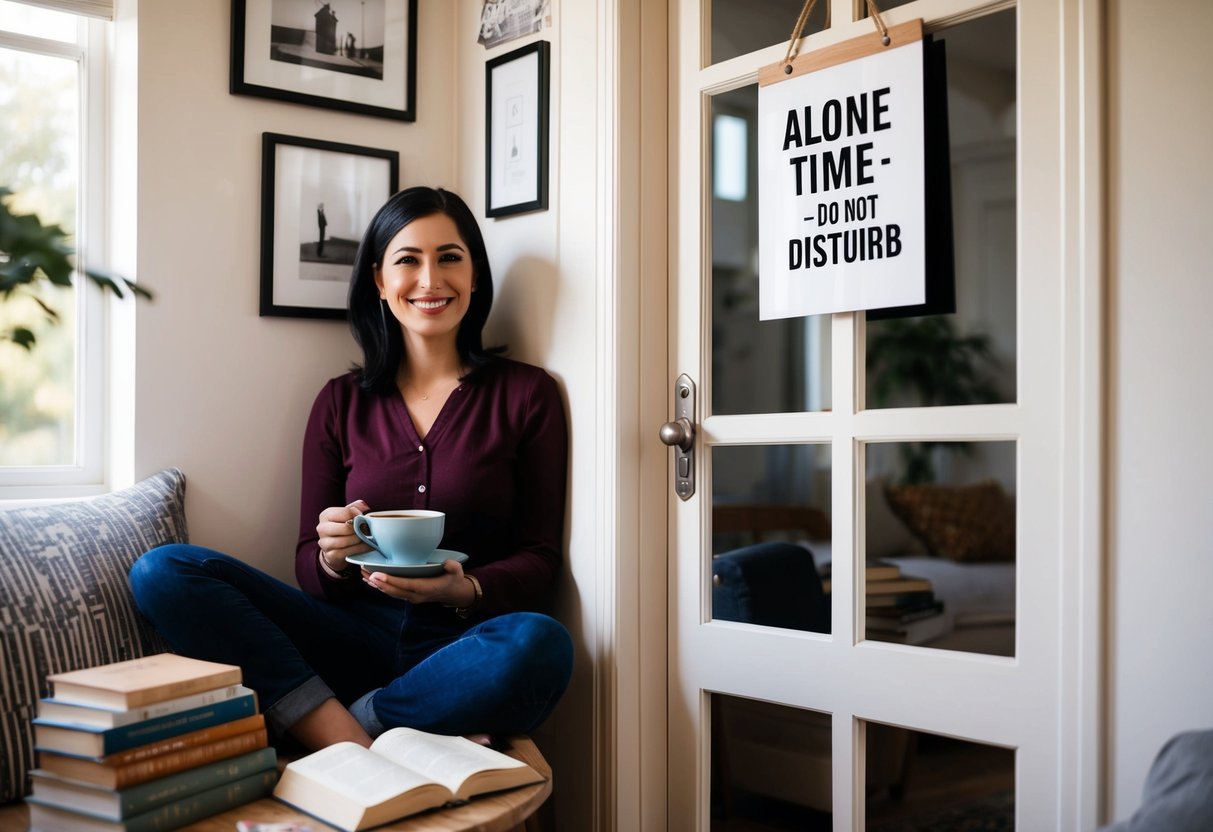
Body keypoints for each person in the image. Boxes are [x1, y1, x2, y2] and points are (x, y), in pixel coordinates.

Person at [130, 187, 573, 751]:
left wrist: (465, 590)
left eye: (450, 257)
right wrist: (331, 558)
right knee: (163, 570)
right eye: (408, 260)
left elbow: (540, 557)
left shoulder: (528, 394)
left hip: (462, 645)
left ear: (476, 275)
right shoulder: (339, 402)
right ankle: (351, 733)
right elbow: (305, 569)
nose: (431, 280)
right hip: (346, 637)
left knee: (542, 643)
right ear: (379, 282)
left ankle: (360, 724)